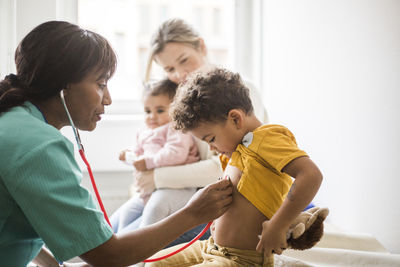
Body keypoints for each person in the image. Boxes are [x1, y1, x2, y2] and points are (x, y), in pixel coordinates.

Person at [0, 21, 233, 267]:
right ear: (62, 87)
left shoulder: (13, 119)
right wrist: (193, 214)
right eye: (101, 84)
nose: (108, 99)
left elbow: (14, 217)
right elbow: (108, 256)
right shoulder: (39, 147)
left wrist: (54, 264)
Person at [144, 68, 323, 267]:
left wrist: (278, 225)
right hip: (211, 247)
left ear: (236, 119)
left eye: (211, 139)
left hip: (241, 259)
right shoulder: (238, 149)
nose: (212, 148)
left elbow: (311, 175)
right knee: (153, 263)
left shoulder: (266, 138)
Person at [133, 18, 269, 246]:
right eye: (169, 69)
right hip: (188, 195)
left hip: (225, 201)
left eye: (184, 60)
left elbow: (229, 165)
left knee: (141, 242)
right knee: (120, 229)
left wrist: (155, 178)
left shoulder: (240, 91)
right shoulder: (182, 101)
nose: (180, 73)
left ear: (202, 46)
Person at [111, 79, 200, 233]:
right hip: (150, 189)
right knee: (127, 212)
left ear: (176, 109)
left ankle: (143, 246)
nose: (152, 116)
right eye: (147, 111)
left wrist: (148, 162)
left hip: (177, 187)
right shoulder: (145, 132)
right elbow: (140, 155)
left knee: (154, 209)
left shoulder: (177, 129)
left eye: (159, 111)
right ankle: (122, 244)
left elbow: (176, 153)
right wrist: (129, 156)